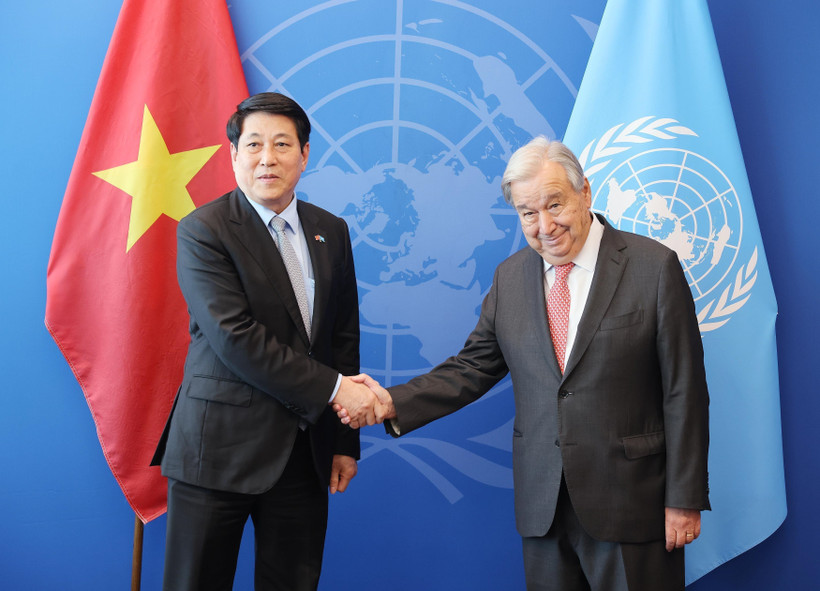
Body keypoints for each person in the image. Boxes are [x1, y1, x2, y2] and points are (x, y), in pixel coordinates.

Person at [337, 137, 710, 591]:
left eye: (555, 204)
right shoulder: (510, 277)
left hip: (633, 503)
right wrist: (391, 402)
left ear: (585, 193)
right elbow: (471, 368)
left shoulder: (653, 267)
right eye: (528, 213)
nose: (545, 225)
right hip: (543, 506)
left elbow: (684, 390)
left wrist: (684, 497)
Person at [151, 92, 382, 591]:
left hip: (304, 452)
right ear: (234, 154)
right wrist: (338, 391)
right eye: (253, 144)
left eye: (282, 144)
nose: (267, 157)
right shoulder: (203, 230)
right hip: (217, 451)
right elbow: (236, 338)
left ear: (304, 154)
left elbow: (341, 337)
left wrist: (344, 441)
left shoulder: (331, 231)